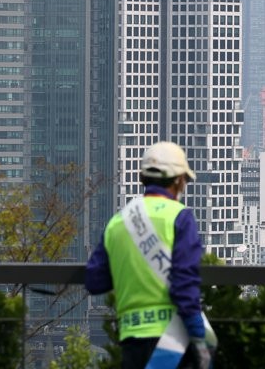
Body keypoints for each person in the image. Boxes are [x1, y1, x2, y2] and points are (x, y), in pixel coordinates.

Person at [86, 141, 213, 369]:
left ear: (143, 179)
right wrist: (199, 337)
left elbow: (95, 281)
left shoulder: (119, 221)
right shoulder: (180, 217)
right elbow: (185, 284)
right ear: (177, 180)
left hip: (131, 337)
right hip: (173, 341)